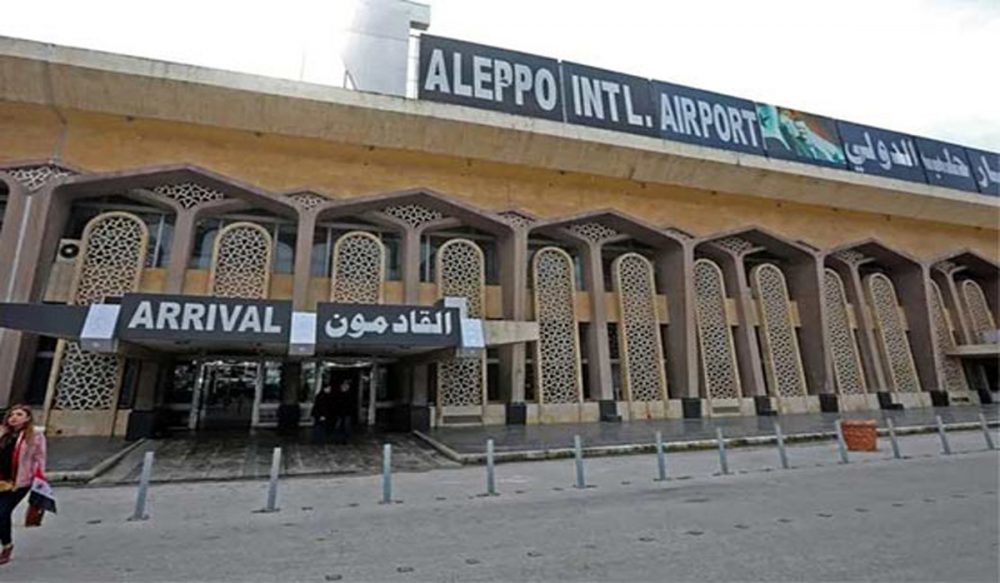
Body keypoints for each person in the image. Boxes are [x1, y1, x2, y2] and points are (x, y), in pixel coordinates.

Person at [0, 404, 47, 566]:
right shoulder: (2, 433)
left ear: (27, 418)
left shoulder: (35, 436)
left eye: (19, 414)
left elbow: (40, 458)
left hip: (19, 482)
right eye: (12, 414)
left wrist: (39, 479)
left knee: (2, 513)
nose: (14, 417)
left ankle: (7, 546)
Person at [331, 379, 354, 445]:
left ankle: (344, 439)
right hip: (340, 413)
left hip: (346, 413)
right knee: (338, 427)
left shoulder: (348, 395)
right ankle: (338, 439)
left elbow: (350, 405)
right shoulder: (340, 395)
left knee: (346, 427)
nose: (344, 387)